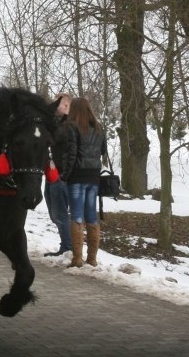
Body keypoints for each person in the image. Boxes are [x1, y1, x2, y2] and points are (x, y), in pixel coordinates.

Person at [62, 96, 108, 267]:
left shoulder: (71, 127)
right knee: (92, 216)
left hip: (76, 176)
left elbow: (71, 153)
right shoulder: (98, 128)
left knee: (76, 216)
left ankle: (77, 259)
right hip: (93, 176)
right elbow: (103, 151)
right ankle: (92, 259)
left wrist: (65, 175)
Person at [44, 93, 73, 256]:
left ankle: (67, 247)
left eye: (59, 104)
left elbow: (55, 137)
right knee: (54, 212)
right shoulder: (59, 123)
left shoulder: (69, 124)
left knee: (60, 212)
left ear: (67, 106)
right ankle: (66, 245)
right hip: (52, 173)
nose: (55, 106)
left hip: (61, 174)